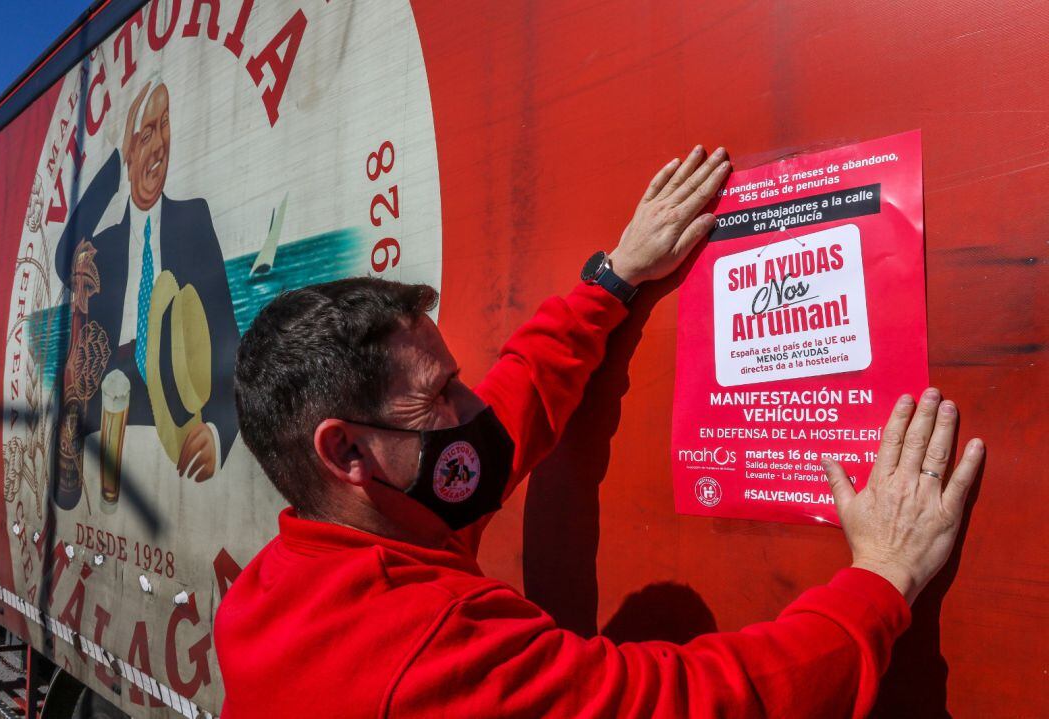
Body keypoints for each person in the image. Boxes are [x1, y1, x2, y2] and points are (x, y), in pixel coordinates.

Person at [215, 146, 985, 717]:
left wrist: (613, 279)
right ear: (346, 450)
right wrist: (882, 578)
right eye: (442, 393)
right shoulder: (425, 658)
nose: (474, 405)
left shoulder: (276, 586)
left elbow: (515, 407)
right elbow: (696, 704)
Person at [53, 80, 239, 507]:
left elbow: (229, 336)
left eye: (165, 124)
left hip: (175, 404)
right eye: (145, 134)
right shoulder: (106, 246)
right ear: (131, 151)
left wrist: (216, 430)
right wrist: (116, 166)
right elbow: (66, 258)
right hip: (109, 407)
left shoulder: (194, 220)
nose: (158, 146)